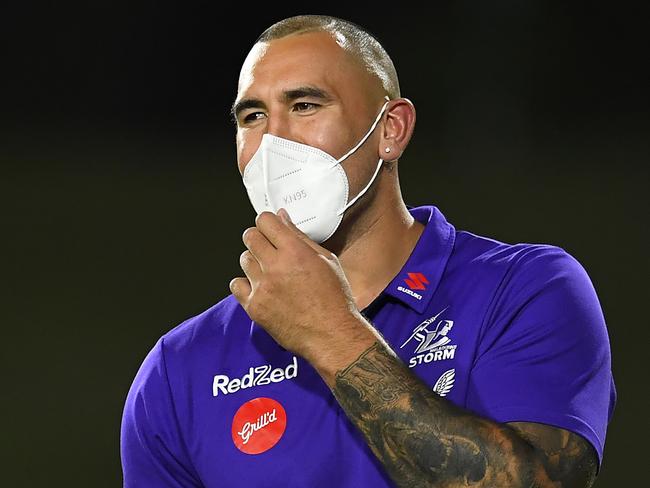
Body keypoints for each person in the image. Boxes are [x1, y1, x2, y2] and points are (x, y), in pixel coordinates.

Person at [120, 14, 616, 487]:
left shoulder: (526, 290)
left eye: (305, 106)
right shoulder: (180, 369)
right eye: (253, 116)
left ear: (390, 131)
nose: (273, 142)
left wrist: (332, 334)